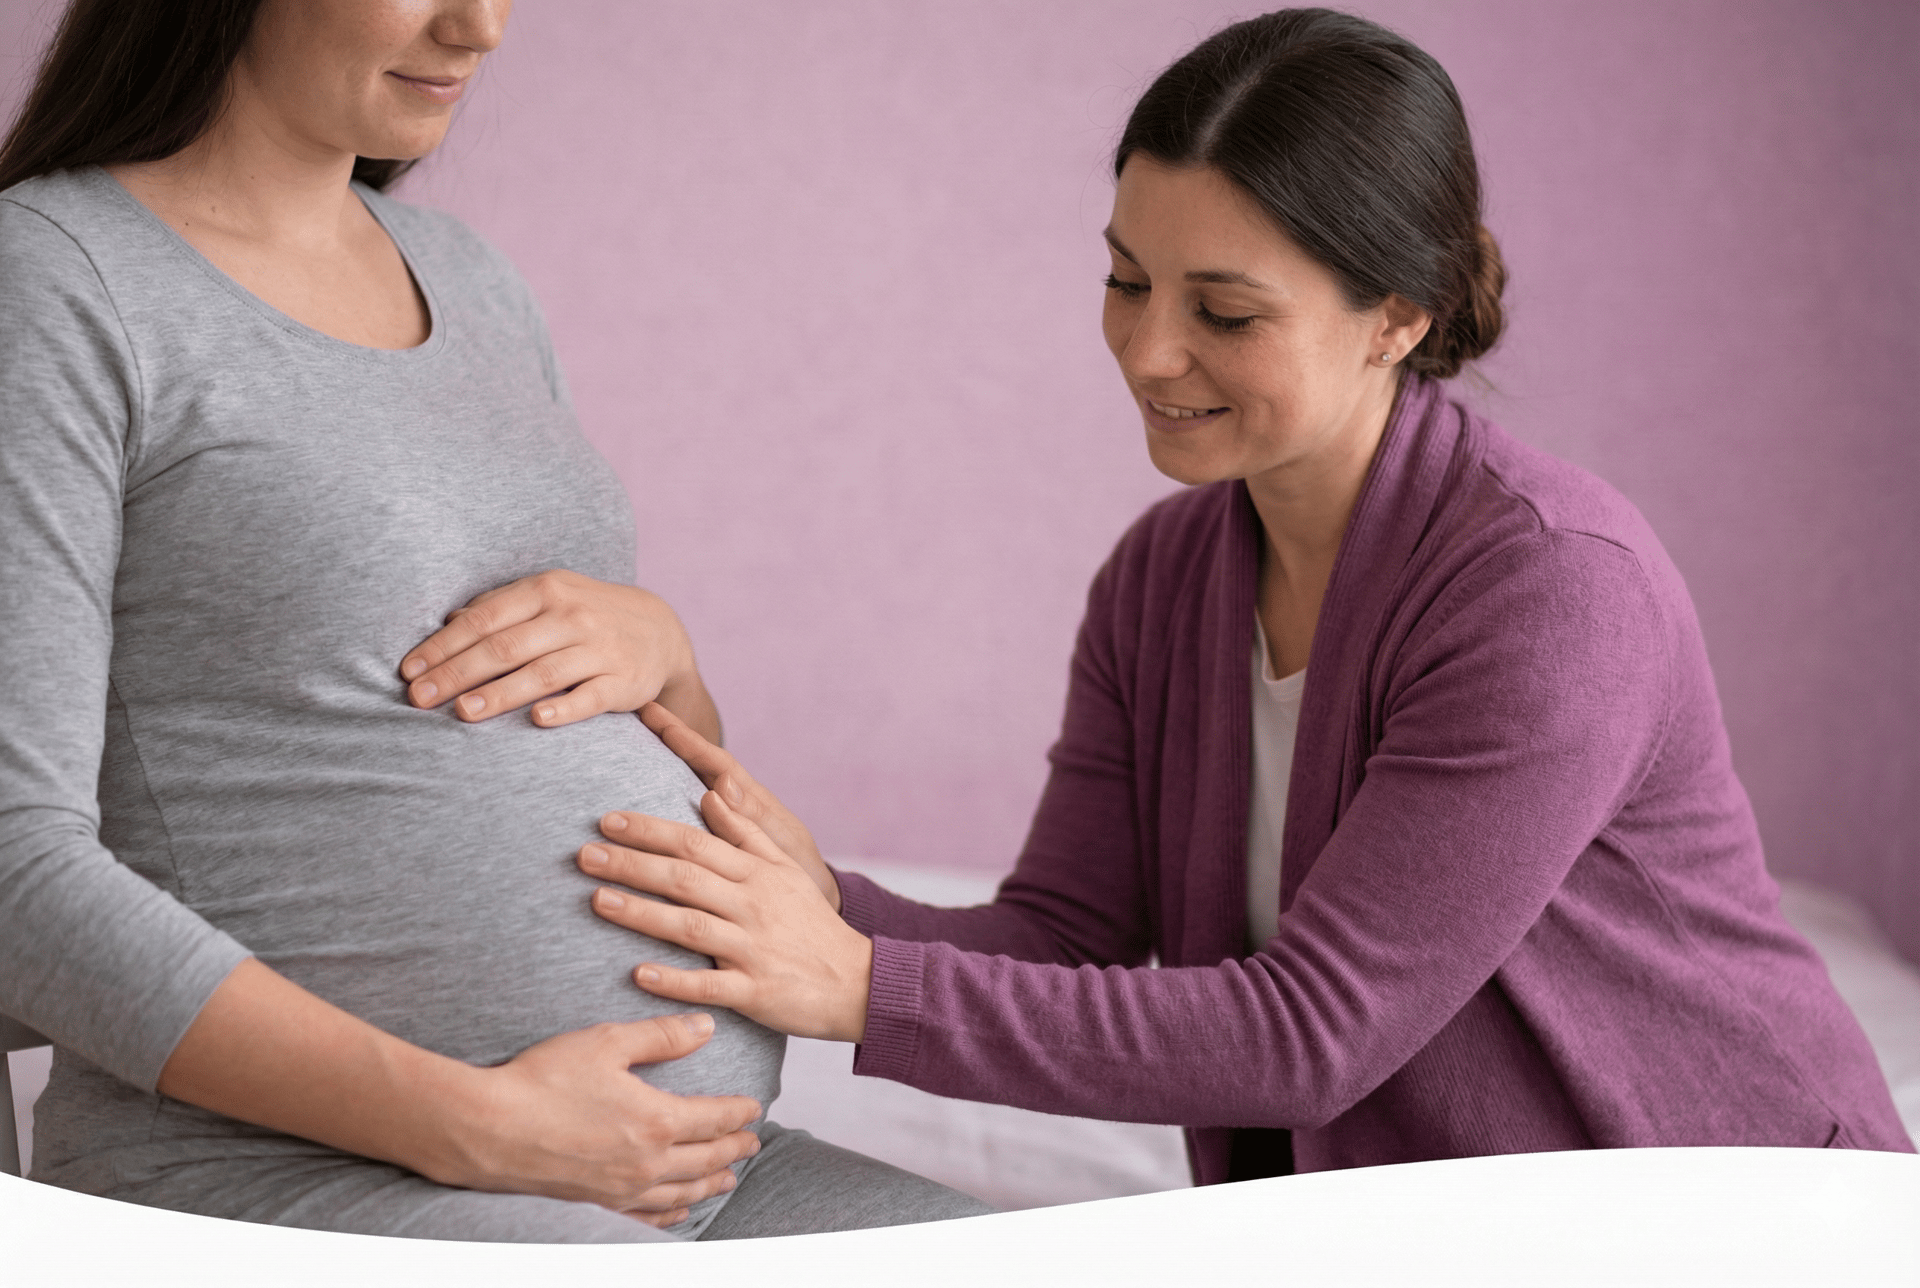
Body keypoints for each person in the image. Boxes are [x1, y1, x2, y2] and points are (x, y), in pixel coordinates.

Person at [437, 9, 1914, 1176]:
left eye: (1223, 312)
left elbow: (1310, 1035)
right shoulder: (1166, 578)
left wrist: (856, 988)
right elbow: (1065, 937)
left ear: (1400, 314)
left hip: (1716, 1204)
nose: (1148, 353)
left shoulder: (1547, 588)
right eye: (1126, 278)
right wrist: (808, 902)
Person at [0, 0, 989, 1242]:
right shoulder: (51, 278)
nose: (481, 27)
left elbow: (619, 748)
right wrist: (470, 1121)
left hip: (690, 1169)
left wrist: (669, 657)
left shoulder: (469, 277)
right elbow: (13, 867)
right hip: (282, 1182)